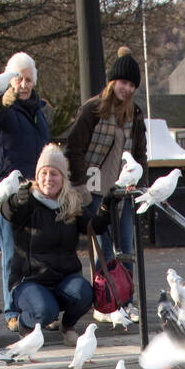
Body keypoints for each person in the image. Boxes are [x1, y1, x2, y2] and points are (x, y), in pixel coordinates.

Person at [0, 144, 109, 344]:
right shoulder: (28, 199)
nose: (48, 178)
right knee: (45, 311)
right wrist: (16, 201)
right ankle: (26, 325)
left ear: (63, 179)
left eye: (54, 174)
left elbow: (94, 227)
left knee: (84, 292)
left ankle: (68, 326)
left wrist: (107, 206)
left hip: (63, 278)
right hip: (30, 279)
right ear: (37, 175)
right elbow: (9, 212)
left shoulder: (71, 203)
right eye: (44, 173)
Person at [0, 51, 50, 324]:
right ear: (10, 79)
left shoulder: (39, 111)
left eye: (29, 79)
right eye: (19, 78)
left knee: (36, 250)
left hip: (34, 190)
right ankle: (11, 309)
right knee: (11, 251)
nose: (23, 84)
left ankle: (37, 307)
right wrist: (3, 100)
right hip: (6, 192)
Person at [65, 46, 148, 267]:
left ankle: (127, 299)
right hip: (95, 191)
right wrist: (81, 186)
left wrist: (143, 187)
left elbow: (140, 154)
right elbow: (74, 148)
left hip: (124, 191)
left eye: (132, 85)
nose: (127, 89)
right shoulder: (92, 109)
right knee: (104, 251)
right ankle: (106, 299)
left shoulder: (136, 114)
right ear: (113, 82)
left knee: (127, 250)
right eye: (124, 82)